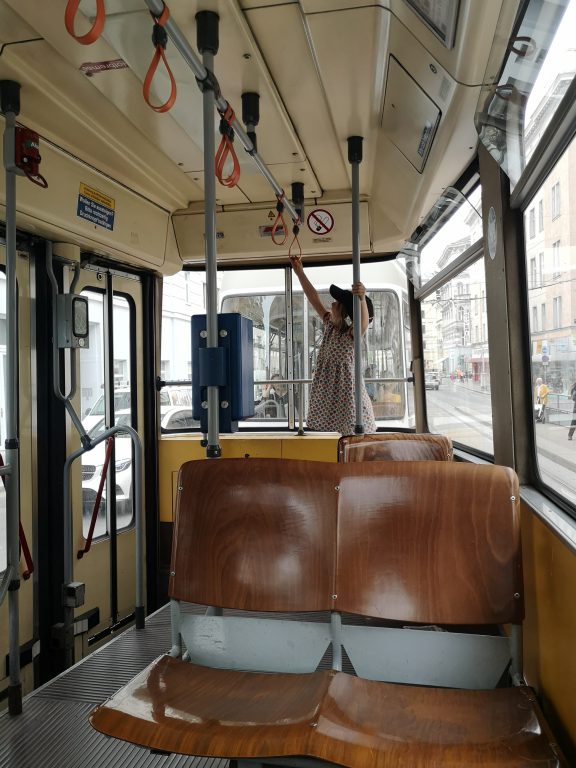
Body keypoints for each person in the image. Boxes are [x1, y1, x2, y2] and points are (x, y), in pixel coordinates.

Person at [289, 254, 376, 435]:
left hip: (348, 398)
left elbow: (363, 322)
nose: (332, 303)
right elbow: (313, 298)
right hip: (331, 397)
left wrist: (361, 299)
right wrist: (300, 274)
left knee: (352, 436)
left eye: (336, 303)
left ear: (344, 311)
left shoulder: (350, 335)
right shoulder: (330, 326)